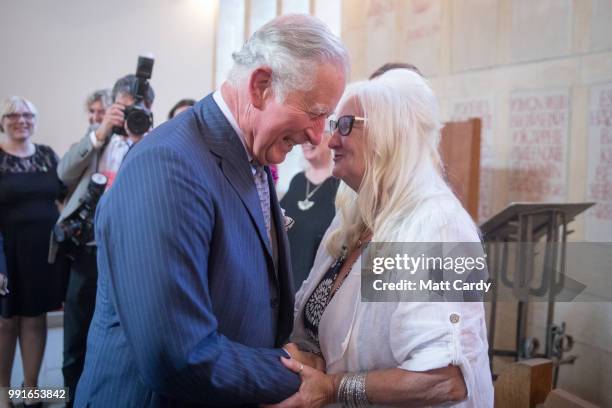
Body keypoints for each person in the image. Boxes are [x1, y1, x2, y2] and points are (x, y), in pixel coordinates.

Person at [74, 14, 348, 407]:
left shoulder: (247, 155)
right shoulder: (169, 166)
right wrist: (290, 371)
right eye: (316, 112)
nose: (318, 136)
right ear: (261, 86)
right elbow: (175, 355)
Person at [278, 69, 493, 407]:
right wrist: (307, 356)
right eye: (334, 125)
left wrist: (333, 387)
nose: (331, 139)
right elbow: (325, 331)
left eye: (345, 125)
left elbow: (446, 379)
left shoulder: (437, 226)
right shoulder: (354, 217)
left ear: (389, 134)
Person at [51, 77, 155, 406]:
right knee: (76, 333)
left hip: (128, 253)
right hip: (87, 249)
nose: (128, 115)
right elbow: (63, 174)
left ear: (149, 109)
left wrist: (140, 139)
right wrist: (99, 135)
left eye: (136, 109)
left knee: (117, 335)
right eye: (122, 108)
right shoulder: (98, 140)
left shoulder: (154, 144)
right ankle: (69, 397)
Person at [0, 96, 67, 408]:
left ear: (35, 120)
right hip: (4, 250)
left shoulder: (46, 155)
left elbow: (64, 194)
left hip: (41, 251)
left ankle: (31, 388)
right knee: (5, 321)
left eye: (27, 115)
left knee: (35, 317)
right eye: (13, 115)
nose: (21, 120)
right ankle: (3, 391)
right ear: (3, 122)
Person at [280, 131, 338, 291]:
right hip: (283, 285)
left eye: (315, 134)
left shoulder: (340, 187)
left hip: (314, 289)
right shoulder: (297, 181)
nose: (306, 141)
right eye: (304, 136)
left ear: (331, 137)